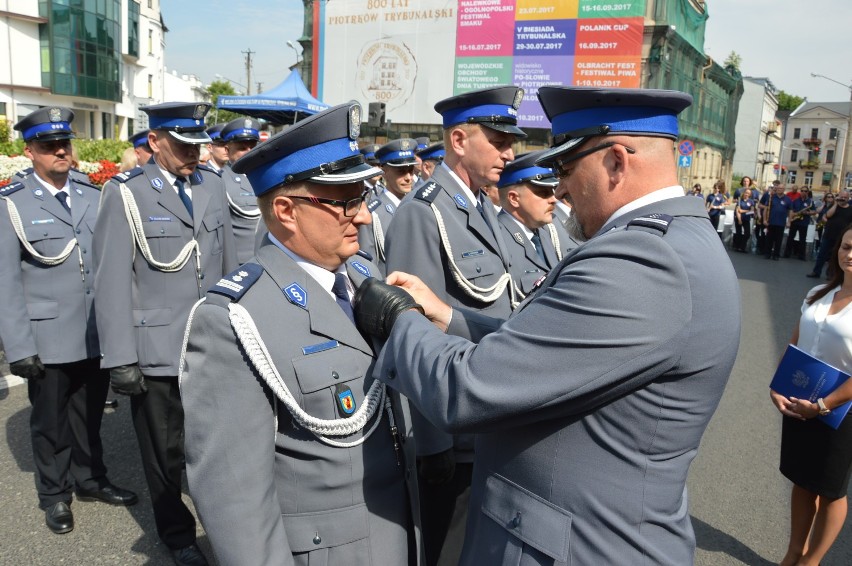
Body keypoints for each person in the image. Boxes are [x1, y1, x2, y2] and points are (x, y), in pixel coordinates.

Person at [352, 85, 741, 565]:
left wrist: (398, 319)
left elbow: (469, 388)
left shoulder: (640, 260)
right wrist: (449, 316)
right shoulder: (679, 241)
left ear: (617, 162)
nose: (558, 190)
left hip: (576, 546)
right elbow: (555, 352)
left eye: (566, 169)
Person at [179, 102, 421, 566]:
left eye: (363, 198)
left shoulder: (363, 275)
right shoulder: (232, 320)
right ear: (287, 211)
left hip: (400, 531)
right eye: (346, 201)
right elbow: (236, 503)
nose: (365, 216)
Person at [382, 85, 522, 566]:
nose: (510, 153)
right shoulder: (424, 212)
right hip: (455, 428)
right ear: (459, 140)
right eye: (499, 142)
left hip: (491, 416)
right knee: (446, 549)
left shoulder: (485, 207)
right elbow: (412, 331)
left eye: (511, 142)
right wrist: (433, 441)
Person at [93, 102, 237, 566]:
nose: (193, 154)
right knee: (163, 453)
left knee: (213, 444)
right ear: (154, 142)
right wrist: (120, 357)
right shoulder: (126, 194)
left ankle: (224, 523)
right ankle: (177, 535)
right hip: (155, 348)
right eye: (182, 145)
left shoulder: (213, 185)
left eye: (198, 144)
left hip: (208, 342)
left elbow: (231, 267)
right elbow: (111, 280)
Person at [0, 107, 137, 535]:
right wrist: (19, 347)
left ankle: (91, 478)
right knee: (50, 423)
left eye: (64, 143)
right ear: (30, 152)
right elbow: (5, 282)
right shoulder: (12, 204)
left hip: (94, 330)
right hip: (48, 335)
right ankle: (54, 494)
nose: (60, 151)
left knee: (89, 413)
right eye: (48, 146)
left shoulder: (90, 193)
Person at [770, 224, 852, 566]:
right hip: (800, 400)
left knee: (831, 491)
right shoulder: (818, 292)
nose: (851, 254)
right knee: (802, 481)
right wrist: (779, 384)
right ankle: (793, 551)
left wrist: (821, 406)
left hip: (840, 410)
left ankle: (811, 561)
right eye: (847, 246)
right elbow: (797, 336)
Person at [495, 149, 577, 301]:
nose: (553, 199)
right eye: (543, 193)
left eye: (552, 191)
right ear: (514, 198)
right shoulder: (496, 239)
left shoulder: (547, 234)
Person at [358, 138, 419, 275]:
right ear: (384, 172)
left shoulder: (418, 207)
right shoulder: (374, 214)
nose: (408, 177)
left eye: (410, 170)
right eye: (401, 171)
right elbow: (368, 264)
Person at [219, 117, 262, 264]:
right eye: (242, 148)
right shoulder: (219, 180)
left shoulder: (266, 176)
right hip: (239, 261)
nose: (249, 152)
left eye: (253, 147)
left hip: (268, 259)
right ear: (227, 150)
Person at [808, 189, 852, 278]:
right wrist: (836, 203)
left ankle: (830, 274)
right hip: (829, 234)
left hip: (841, 237)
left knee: (834, 256)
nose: (843, 199)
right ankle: (816, 272)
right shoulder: (833, 206)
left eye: (845, 197)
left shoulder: (850, 209)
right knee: (822, 254)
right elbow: (828, 215)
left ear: (848, 198)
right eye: (841, 197)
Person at [760, 182, 793, 260]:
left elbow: (790, 211)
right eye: (778, 188)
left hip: (781, 223)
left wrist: (789, 221)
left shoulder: (787, 199)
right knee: (769, 239)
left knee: (778, 240)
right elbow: (766, 209)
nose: (779, 189)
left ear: (784, 189)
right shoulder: (771, 197)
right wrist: (764, 219)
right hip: (771, 221)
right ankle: (767, 253)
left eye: (781, 188)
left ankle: (776, 255)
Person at [784, 188, 814, 260]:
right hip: (795, 221)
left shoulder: (810, 202)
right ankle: (787, 254)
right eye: (802, 191)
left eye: (805, 191)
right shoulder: (795, 201)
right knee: (790, 238)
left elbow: (814, 211)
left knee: (802, 239)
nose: (803, 192)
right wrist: (794, 215)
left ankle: (801, 256)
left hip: (804, 223)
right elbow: (791, 211)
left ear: (808, 192)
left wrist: (807, 213)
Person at [733, 188, 755, 252]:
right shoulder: (740, 201)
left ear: (750, 194)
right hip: (739, 218)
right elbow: (737, 211)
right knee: (738, 233)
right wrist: (739, 219)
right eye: (746, 193)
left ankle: (742, 247)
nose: (746, 194)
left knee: (747, 234)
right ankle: (738, 247)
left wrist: (743, 211)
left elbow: (752, 211)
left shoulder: (751, 201)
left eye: (748, 193)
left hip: (746, 219)